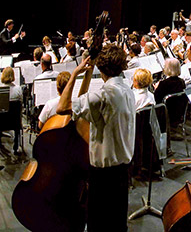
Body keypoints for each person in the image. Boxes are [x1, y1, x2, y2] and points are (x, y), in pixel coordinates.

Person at [56, 44, 135, 232]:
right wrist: (89, 73)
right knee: (117, 224)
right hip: (123, 172)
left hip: (103, 176)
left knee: (97, 225)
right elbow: (82, 105)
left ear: (101, 68)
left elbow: (62, 107)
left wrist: (75, 73)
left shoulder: (102, 96)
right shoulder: (128, 91)